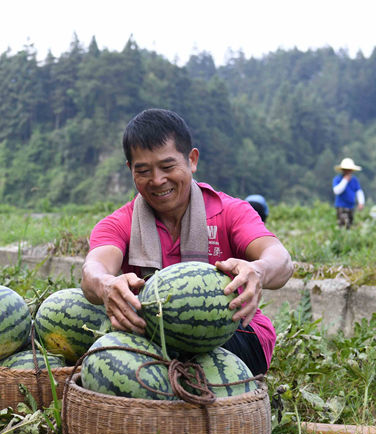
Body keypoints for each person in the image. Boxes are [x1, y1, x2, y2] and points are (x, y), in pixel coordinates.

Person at [81, 109, 293, 376]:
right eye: (143, 170)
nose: (157, 180)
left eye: (168, 167)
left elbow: (280, 259)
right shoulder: (118, 224)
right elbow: (93, 270)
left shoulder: (230, 211)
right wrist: (105, 284)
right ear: (130, 170)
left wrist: (259, 271)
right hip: (151, 338)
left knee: (184, 358)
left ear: (192, 160)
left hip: (236, 334)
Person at [332, 157, 365, 229]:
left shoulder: (354, 180)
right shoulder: (337, 179)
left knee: (349, 225)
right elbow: (336, 191)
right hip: (341, 206)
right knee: (343, 224)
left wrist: (361, 202)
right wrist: (345, 180)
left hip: (351, 206)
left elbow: (359, 191)